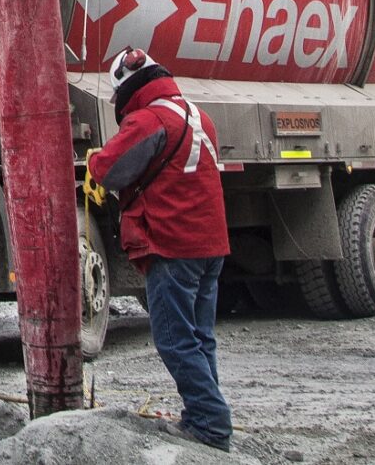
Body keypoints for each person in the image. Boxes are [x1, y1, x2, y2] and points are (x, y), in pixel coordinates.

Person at [85, 46, 232, 451]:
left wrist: (95, 161)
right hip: (209, 246)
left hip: (173, 245)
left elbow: (110, 168)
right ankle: (205, 416)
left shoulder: (150, 119)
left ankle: (210, 423)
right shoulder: (197, 115)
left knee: (174, 339)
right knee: (200, 337)